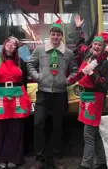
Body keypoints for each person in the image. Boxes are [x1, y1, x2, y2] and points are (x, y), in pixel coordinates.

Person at [27, 20, 78, 169]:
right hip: (43, 93)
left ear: (61, 36)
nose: (55, 37)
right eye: (53, 34)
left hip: (60, 94)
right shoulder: (40, 50)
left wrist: (67, 81)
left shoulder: (68, 53)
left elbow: (75, 70)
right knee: (38, 123)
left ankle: (56, 155)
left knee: (58, 125)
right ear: (50, 35)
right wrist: (38, 77)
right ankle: (40, 157)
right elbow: (30, 64)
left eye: (58, 34)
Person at [67, 35, 108, 169]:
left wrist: (93, 74)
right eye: (95, 44)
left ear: (104, 48)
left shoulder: (105, 64)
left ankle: (86, 165)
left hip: (96, 99)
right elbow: (80, 47)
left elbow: (105, 85)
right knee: (94, 132)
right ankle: (101, 163)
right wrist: (79, 31)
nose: (96, 47)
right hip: (85, 97)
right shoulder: (88, 58)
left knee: (88, 134)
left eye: (100, 45)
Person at [0, 36, 31, 169]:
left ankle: (14, 159)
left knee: (16, 129)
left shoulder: (20, 62)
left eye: (14, 44)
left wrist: (25, 99)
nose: (11, 45)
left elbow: (24, 83)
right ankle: (0, 160)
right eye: (9, 42)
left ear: (16, 48)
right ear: (4, 45)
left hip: (17, 99)